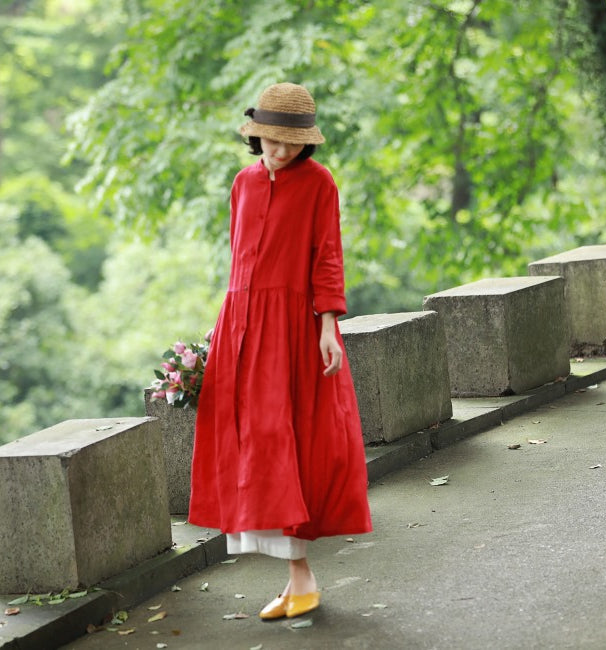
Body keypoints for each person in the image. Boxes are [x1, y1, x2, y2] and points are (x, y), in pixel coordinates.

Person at [188, 82, 372, 620]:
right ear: (257, 135)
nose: (281, 151)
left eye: (291, 143)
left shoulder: (319, 184)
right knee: (250, 445)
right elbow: (238, 265)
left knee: (287, 442)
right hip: (241, 325)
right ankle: (297, 582)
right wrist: (222, 331)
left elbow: (327, 257)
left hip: (292, 328)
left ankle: (302, 576)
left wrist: (327, 327)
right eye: (272, 140)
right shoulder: (242, 184)